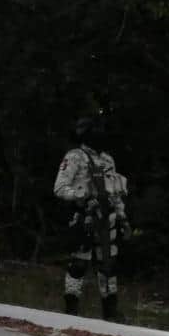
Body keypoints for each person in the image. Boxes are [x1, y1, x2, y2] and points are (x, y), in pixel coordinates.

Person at [53, 116, 130, 321]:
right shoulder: (75, 156)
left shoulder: (107, 160)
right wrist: (81, 195)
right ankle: (71, 313)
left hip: (108, 218)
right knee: (79, 263)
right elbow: (60, 188)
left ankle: (110, 314)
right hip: (85, 217)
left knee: (108, 264)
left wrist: (122, 217)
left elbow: (116, 191)